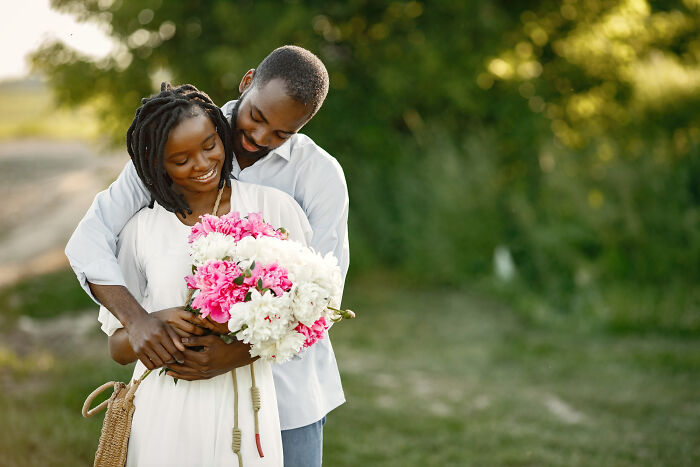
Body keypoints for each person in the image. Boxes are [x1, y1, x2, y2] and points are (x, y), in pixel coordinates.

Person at [66, 46, 348, 467]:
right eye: (256, 118)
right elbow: (90, 237)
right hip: (183, 406)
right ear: (247, 81)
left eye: (282, 134)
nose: (259, 139)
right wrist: (137, 319)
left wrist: (238, 354)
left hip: (289, 392)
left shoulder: (318, 175)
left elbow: (323, 290)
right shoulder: (180, 135)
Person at [101, 82, 313, 465]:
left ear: (221, 133)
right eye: (180, 160)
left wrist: (239, 352)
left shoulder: (273, 210)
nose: (201, 164)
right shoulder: (140, 231)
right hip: (165, 410)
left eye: (209, 145)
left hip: (246, 408)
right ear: (156, 165)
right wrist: (154, 323)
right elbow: (116, 347)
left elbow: (307, 316)